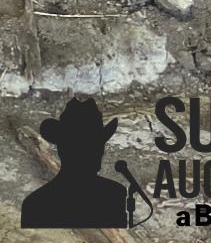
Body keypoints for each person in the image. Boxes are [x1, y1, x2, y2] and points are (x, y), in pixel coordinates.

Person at [22, 97, 130, 230]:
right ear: (64, 150)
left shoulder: (35, 203)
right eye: (89, 147)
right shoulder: (114, 194)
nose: (98, 152)